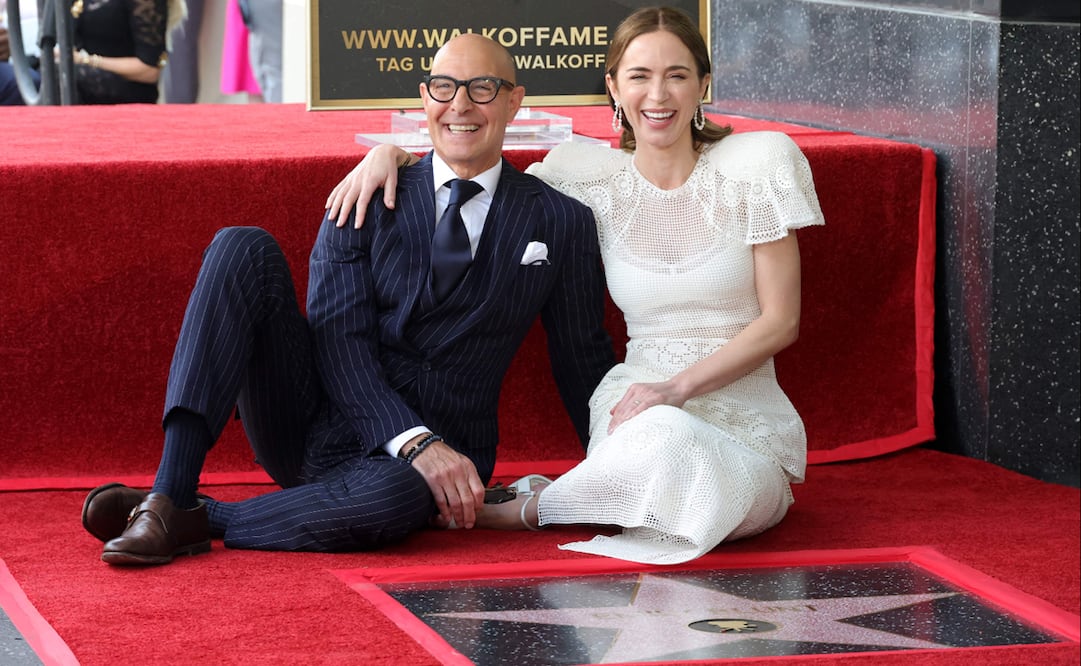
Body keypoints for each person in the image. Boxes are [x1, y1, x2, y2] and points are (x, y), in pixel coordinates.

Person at [79, 33, 614, 565]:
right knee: (240, 246)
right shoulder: (368, 192)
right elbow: (339, 343)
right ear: (423, 98)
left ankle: (190, 515)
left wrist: (618, 474)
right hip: (313, 423)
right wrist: (412, 440)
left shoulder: (559, 221)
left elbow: (580, 356)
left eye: (482, 88)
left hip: (436, 462)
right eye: (444, 88)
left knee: (392, 501)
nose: (460, 105)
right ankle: (170, 487)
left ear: (514, 100)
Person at [325, 6, 825, 565]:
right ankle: (602, 487)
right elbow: (468, 164)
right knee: (662, 440)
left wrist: (677, 389)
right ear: (613, 87)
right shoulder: (584, 177)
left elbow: (782, 321)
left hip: (742, 417)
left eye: (677, 75)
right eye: (639, 76)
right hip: (636, 408)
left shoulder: (757, 163)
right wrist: (389, 156)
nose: (657, 95)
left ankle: (527, 509)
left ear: (703, 84)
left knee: (710, 488)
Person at [69, 0, 185, 103]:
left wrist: (86, 60)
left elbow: (150, 70)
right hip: (81, 80)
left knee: (67, 77)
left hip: (126, 91)